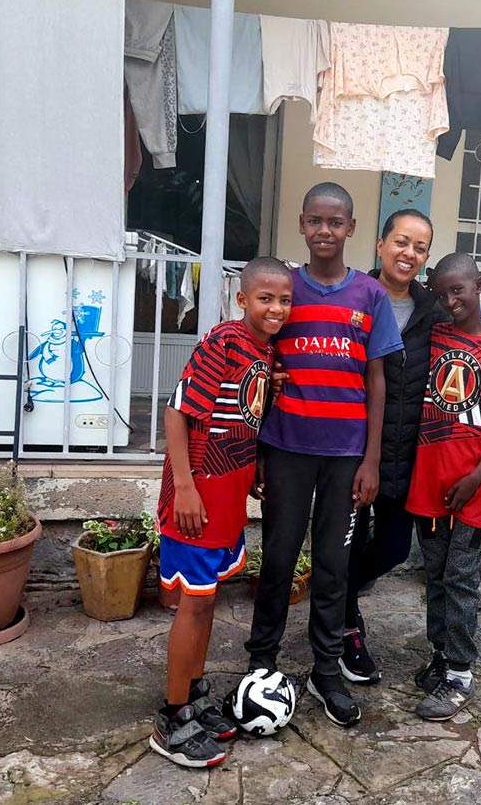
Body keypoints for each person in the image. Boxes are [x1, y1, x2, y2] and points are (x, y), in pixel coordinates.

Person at [340, 210, 481, 685]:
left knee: (410, 559)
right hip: (360, 453)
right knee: (366, 559)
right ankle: (352, 629)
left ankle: (457, 665)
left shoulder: (438, 315)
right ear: (380, 243)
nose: (408, 252)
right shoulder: (359, 297)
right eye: (401, 242)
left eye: (420, 246)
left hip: (430, 469)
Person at [245, 182, 404, 728]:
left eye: (335, 223)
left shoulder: (371, 296)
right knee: (280, 562)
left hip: (346, 456)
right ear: (301, 224)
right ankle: (260, 664)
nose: (325, 231)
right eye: (315, 221)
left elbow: (378, 381)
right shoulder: (283, 290)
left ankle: (326, 670)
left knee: (334, 568)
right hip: (287, 448)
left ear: (352, 229)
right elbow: (258, 357)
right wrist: (260, 451)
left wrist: (371, 460)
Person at [152, 257, 293, 768]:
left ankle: (192, 694)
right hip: (198, 502)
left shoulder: (264, 351)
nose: (275, 308)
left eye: (284, 300)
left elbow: (242, 416)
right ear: (242, 299)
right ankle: (171, 719)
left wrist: (251, 467)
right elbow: (177, 412)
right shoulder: (223, 342)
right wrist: (186, 488)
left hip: (229, 497)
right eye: (265, 298)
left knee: (206, 604)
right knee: (192, 606)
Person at [404, 252, 481, 721]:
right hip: (429, 484)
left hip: (475, 487)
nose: (450, 300)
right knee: (434, 576)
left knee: (460, 577)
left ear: (480, 286)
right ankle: (440, 654)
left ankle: (460, 673)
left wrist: (477, 476)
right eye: (442, 292)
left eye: (459, 290)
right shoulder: (433, 337)